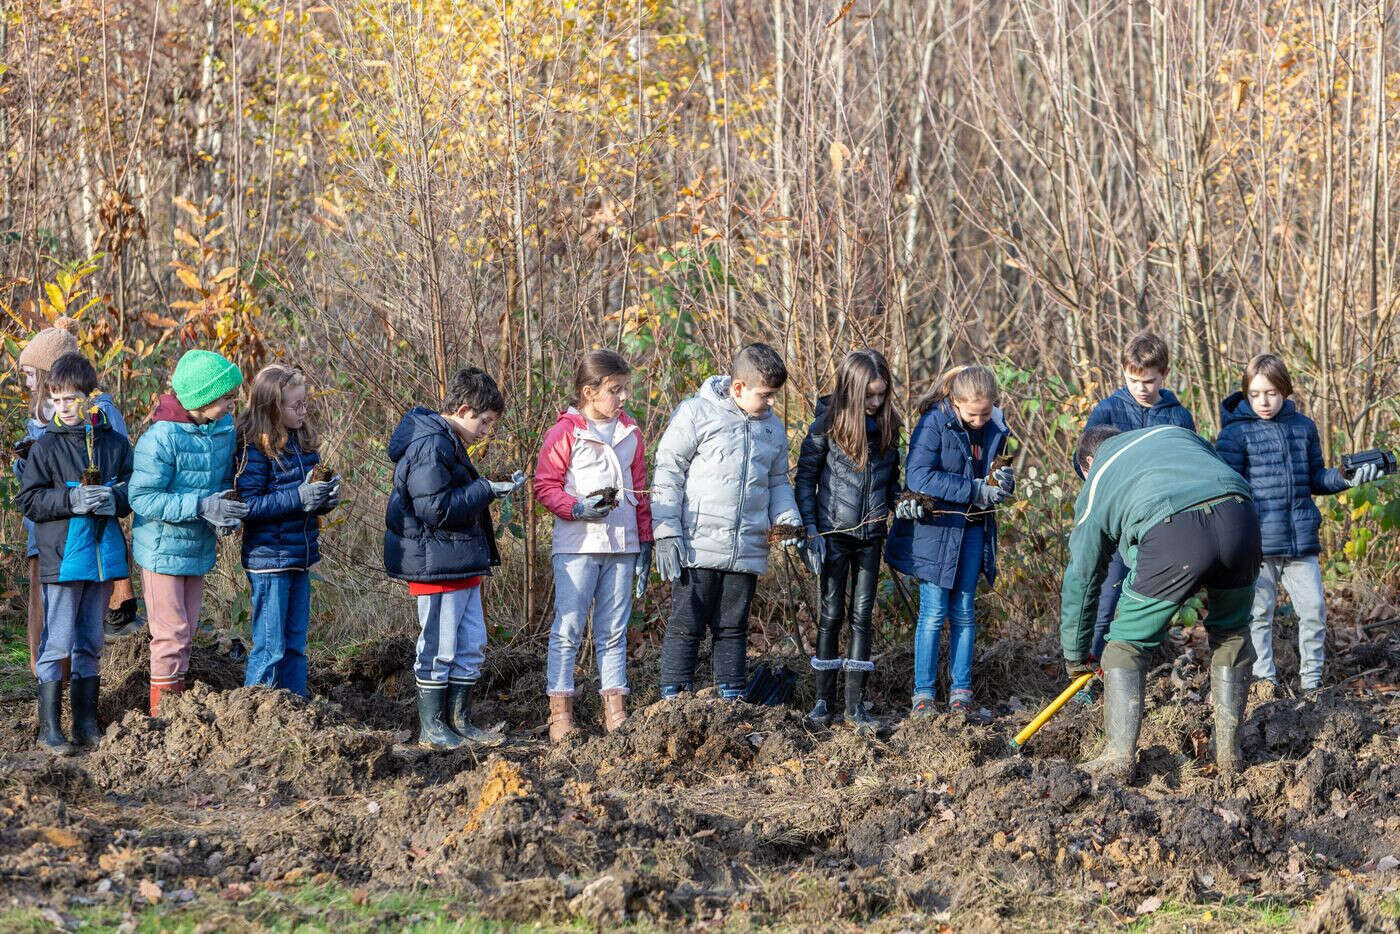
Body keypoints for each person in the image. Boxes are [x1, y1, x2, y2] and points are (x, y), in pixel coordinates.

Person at [1062, 425, 1261, 781]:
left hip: (1174, 531)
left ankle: (1118, 759)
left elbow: (1082, 576)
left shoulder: (1100, 474)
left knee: (1125, 645)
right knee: (1232, 633)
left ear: (1088, 463)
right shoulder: (1174, 433)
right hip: (1240, 517)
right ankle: (1230, 755)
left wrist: (1077, 658)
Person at [1215, 354, 1383, 696]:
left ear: (1286, 391)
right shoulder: (1235, 434)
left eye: (1273, 393)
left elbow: (1316, 479)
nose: (1265, 401)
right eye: (1257, 393)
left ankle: (1312, 684)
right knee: (1259, 616)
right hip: (1258, 544)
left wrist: (1346, 477)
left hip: (1300, 541)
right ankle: (1266, 684)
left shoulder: (1303, 427)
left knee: (1315, 613)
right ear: (1246, 393)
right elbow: (1227, 489)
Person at [651, 343, 805, 700]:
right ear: (738, 388)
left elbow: (778, 482)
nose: (770, 403)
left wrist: (788, 523)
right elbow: (668, 471)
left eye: (774, 397)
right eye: (765, 395)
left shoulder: (773, 430)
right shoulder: (696, 414)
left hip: (746, 547)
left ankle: (732, 696)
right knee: (687, 624)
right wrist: (666, 531)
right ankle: (675, 697)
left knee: (733, 627)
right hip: (696, 545)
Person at [384, 367, 521, 750]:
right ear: (463, 409)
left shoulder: (448, 442)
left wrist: (487, 489)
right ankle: (433, 727)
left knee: (471, 643)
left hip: (458, 561)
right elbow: (436, 510)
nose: (487, 431)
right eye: (486, 421)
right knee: (439, 646)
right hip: (436, 566)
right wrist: (484, 489)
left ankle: (459, 719)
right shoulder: (431, 444)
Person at [17, 353, 134, 754]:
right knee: (58, 641)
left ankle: (85, 724)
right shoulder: (44, 446)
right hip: (63, 560)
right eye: (57, 400)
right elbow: (29, 501)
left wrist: (112, 497)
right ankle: (48, 729)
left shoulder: (114, 443)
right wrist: (71, 499)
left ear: (90, 398)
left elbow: (132, 490)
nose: (65, 408)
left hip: (102, 558)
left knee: (91, 641)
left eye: (73, 399)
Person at [534, 350, 653, 741]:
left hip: (622, 546)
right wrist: (576, 508)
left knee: (613, 631)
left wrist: (646, 541)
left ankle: (615, 710)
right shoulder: (566, 432)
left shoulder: (630, 433)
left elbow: (640, 491)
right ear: (589, 392)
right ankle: (560, 713)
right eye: (614, 390)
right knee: (568, 628)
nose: (622, 398)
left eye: (624, 390)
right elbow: (545, 485)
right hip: (578, 545)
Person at [885, 365, 1014, 715]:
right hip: (936, 531)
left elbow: (995, 470)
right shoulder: (933, 423)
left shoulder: (996, 427)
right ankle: (924, 694)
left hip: (974, 530)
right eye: (973, 414)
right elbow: (919, 475)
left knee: (964, 612)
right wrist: (973, 490)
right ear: (956, 403)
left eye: (986, 413)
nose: (979, 420)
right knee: (933, 612)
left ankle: (961, 692)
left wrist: (1003, 483)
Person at [129, 349, 248, 715]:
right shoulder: (161, 438)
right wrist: (200, 505)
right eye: (226, 398)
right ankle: (161, 718)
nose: (231, 404)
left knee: (188, 630)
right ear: (202, 399)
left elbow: (225, 479)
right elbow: (142, 498)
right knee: (170, 634)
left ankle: (176, 709)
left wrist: (226, 512)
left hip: (197, 546)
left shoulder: (223, 430)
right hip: (162, 548)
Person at [1076, 332, 1197, 676]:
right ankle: (1088, 676)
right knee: (1105, 601)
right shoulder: (1109, 409)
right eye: (1133, 380)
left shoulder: (1178, 417)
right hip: (1117, 525)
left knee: (1148, 602)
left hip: (1160, 526)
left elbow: (1190, 465)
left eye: (1148, 381)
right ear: (1123, 373)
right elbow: (1083, 460)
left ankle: (1137, 670)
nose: (1141, 388)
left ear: (1164, 375)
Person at [794, 349, 901, 730]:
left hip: (871, 536)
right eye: (869, 395)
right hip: (833, 534)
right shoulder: (827, 425)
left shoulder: (890, 426)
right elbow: (805, 479)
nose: (875, 402)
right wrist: (810, 531)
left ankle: (855, 707)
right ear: (853, 391)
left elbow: (892, 485)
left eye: (881, 394)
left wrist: (902, 504)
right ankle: (823, 701)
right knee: (830, 615)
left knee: (862, 616)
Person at [235, 365, 340, 698]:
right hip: (269, 561)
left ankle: (297, 712)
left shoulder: (303, 441)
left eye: (305, 403)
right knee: (270, 646)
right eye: (295, 406)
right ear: (271, 407)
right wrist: (299, 496)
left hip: (299, 555)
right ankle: (252, 717)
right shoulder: (253, 447)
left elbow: (308, 496)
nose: (303, 411)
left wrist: (324, 498)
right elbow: (249, 506)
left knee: (296, 644)